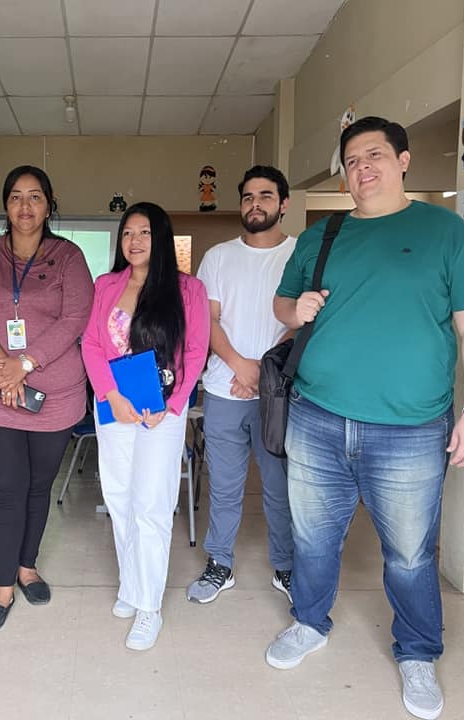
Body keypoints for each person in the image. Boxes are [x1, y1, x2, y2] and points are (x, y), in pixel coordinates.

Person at [266, 116, 464, 720]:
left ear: (403, 160)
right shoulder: (321, 236)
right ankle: (309, 622)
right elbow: (283, 304)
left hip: (411, 430)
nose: (362, 167)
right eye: (351, 160)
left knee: (410, 553)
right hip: (316, 418)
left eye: (374, 154)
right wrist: (296, 310)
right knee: (313, 538)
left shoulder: (446, 233)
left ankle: (418, 652)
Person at [0, 165, 93, 633]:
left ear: (49, 205)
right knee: (4, 490)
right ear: (5, 205)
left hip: (55, 395)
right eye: (16, 196)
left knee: (38, 486)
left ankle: (27, 566)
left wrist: (26, 364)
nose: (25, 206)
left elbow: (75, 318)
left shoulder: (68, 256)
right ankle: (2, 585)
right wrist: (5, 368)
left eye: (35, 196)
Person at [82, 202, 209, 651]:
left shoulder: (187, 289)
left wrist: (172, 405)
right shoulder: (107, 284)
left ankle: (149, 606)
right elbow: (91, 343)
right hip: (114, 406)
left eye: (145, 233)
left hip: (162, 412)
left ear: (161, 238)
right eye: (127, 233)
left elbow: (195, 351)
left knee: (151, 504)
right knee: (119, 498)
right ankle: (131, 585)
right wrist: (111, 396)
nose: (134, 241)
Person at [186, 165, 297, 605]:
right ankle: (220, 563)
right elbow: (207, 319)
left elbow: (303, 322)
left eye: (265, 196)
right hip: (222, 389)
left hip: (278, 393)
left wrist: (261, 372)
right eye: (248, 196)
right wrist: (239, 366)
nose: (255, 204)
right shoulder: (218, 256)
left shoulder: (299, 254)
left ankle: (286, 567)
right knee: (225, 485)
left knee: (280, 486)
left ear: (283, 203)